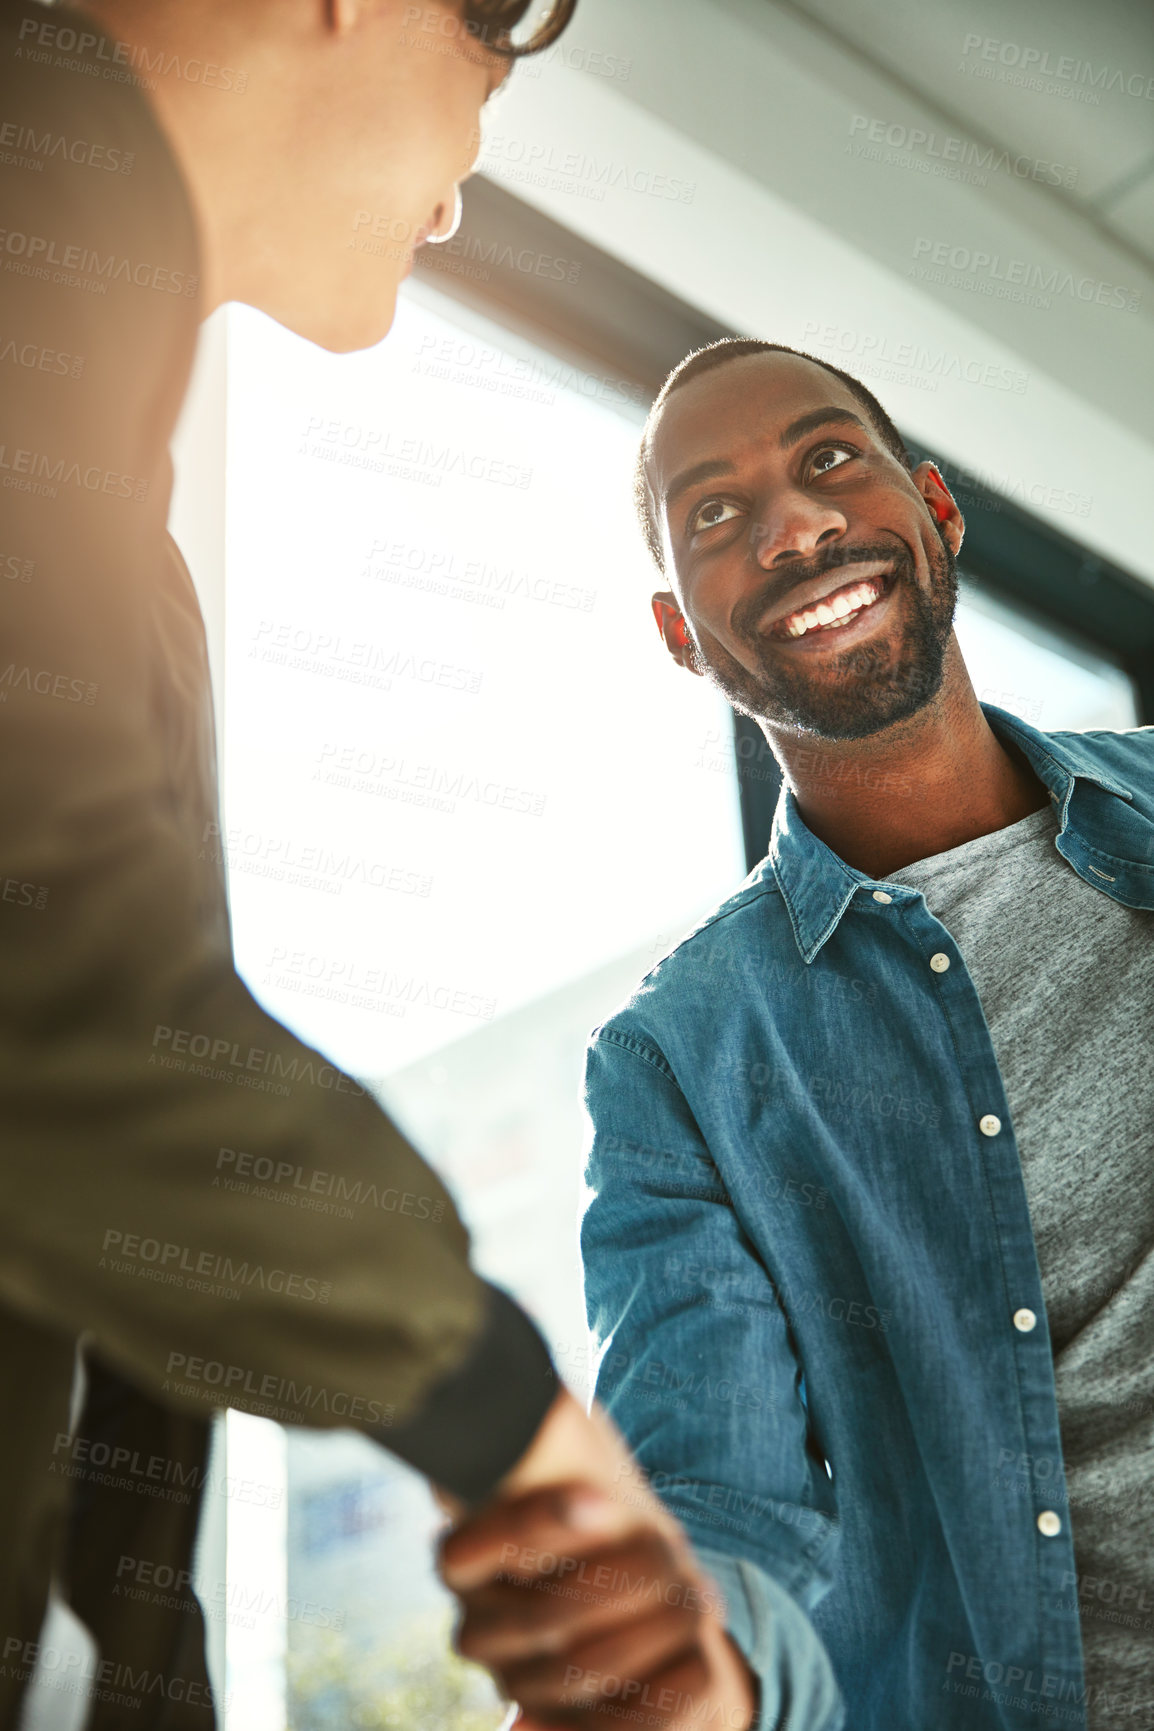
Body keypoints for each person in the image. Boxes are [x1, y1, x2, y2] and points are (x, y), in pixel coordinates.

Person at [0, 1, 740, 1724]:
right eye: (505, 39)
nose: (469, 170)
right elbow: (59, 1016)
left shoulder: (124, 552)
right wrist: (510, 1429)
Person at [565, 339, 1153, 1729]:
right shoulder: (677, 1063)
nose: (790, 525)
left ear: (934, 512)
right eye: (712, 513)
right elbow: (717, 1499)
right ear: (676, 634)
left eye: (828, 458)